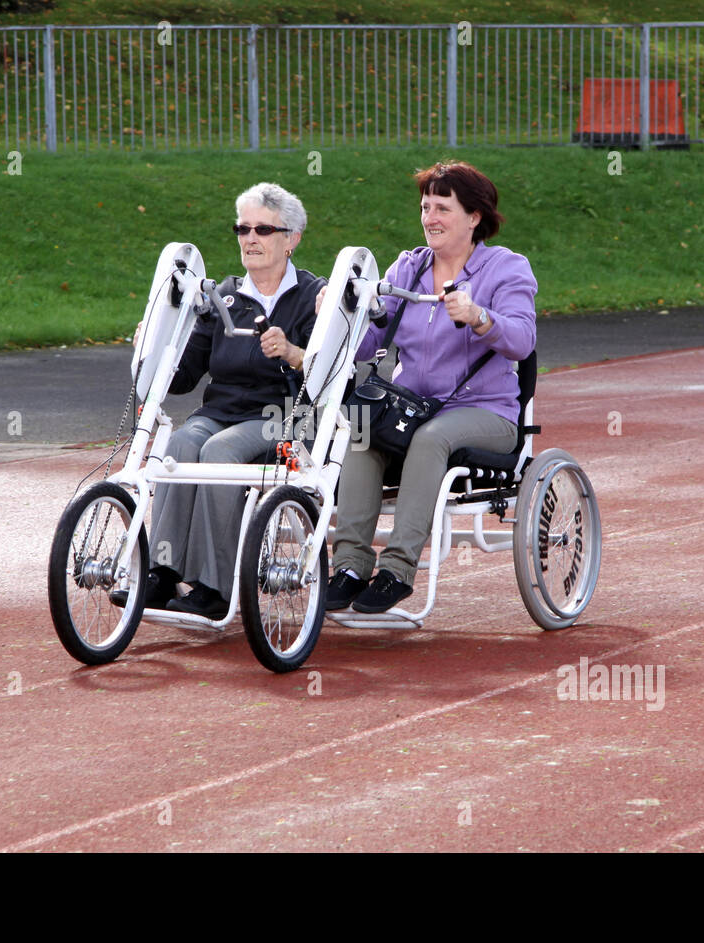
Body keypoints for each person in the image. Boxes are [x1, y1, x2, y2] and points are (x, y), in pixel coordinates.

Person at [327, 161, 537, 614]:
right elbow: (368, 345)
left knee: (430, 437)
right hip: (411, 408)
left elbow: (521, 340)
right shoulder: (409, 267)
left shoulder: (506, 269)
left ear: (474, 216)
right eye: (425, 207)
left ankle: (397, 570)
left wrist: (480, 317)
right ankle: (348, 566)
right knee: (362, 434)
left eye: (443, 207)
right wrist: (342, 313)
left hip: (487, 413)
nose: (430, 217)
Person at [116, 182, 325, 619]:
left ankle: (217, 582)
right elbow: (184, 375)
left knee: (219, 451)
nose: (250, 238)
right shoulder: (222, 296)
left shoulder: (313, 296)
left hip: (282, 415)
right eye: (242, 228)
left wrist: (292, 352)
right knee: (178, 446)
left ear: (292, 238)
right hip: (221, 411)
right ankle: (164, 570)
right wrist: (152, 350)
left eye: (263, 229)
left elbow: (332, 375)